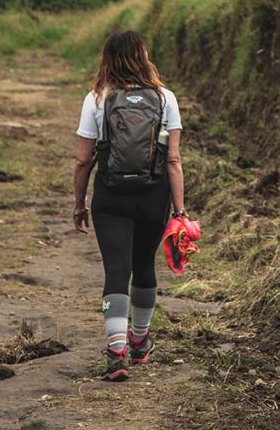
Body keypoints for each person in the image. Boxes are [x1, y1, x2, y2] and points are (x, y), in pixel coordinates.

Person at [73, 30, 188, 382]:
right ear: (143, 55)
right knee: (143, 264)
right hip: (153, 197)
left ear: (107, 59)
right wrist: (180, 212)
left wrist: (80, 204)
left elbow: (82, 160)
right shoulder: (164, 98)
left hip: (111, 197)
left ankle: (116, 352)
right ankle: (140, 341)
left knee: (116, 270)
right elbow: (173, 160)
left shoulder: (96, 98)